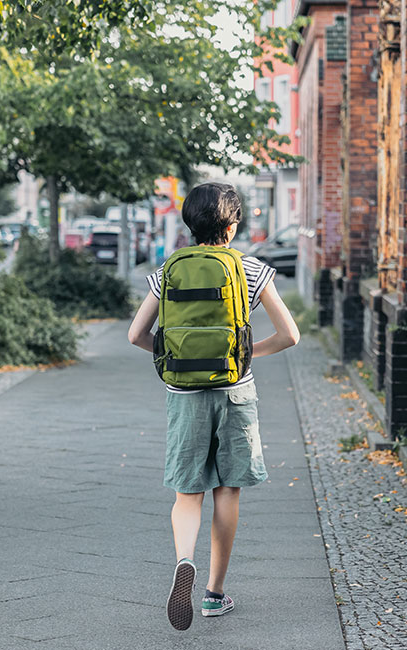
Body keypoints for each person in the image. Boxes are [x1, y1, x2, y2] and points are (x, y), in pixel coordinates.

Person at [127, 182, 300, 631]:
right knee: (228, 488)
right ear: (233, 224)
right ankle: (214, 594)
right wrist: (245, 354)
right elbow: (290, 336)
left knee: (189, 492)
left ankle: (185, 561)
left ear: (190, 223)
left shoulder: (168, 270)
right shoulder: (251, 269)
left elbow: (136, 335)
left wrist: (173, 359)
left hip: (184, 394)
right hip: (235, 390)